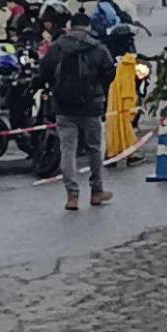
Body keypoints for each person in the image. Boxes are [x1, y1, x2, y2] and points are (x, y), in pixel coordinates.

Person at [39, 11, 117, 211]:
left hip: (64, 107)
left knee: (67, 150)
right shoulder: (98, 47)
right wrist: (97, 90)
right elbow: (109, 73)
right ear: (88, 26)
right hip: (91, 106)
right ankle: (97, 191)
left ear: (70, 26)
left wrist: (56, 88)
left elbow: (43, 72)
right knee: (94, 148)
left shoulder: (57, 47)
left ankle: (72, 196)